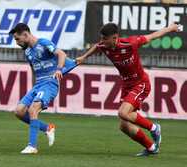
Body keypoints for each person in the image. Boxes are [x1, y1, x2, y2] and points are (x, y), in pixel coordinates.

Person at [76, 23, 180, 156]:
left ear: (115, 38)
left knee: (123, 113)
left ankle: (154, 128)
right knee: (124, 126)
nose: (102, 41)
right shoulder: (104, 45)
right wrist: (84, 57)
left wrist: (171, 28)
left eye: (104, 39)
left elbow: (152, 36)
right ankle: (151, 147)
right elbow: (96, 47)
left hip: (141, 83)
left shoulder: (130, 43)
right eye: (101, 38)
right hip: (126, 85)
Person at [9, 23, 77, 154]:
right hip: (38, 85)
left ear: (25, 34)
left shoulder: (43, 43)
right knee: (19, 111)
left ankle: (32, 146)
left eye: (17, 39)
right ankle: (47, 128)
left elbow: (61, 54)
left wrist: (58, 69)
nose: (17, 42)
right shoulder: (28, 51)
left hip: (49, 83)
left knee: (33, 109)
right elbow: (34, 69)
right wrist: (34, 86)